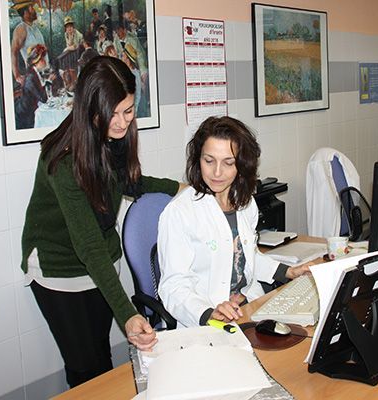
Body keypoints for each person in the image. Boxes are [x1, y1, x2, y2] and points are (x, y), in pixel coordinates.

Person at [21, 56, 182, 387]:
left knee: (102, 360)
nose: (122, 123)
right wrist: (128, 315)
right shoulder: (61, 159)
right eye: (113, 113)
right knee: (84, 367)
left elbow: (127, 182)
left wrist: (179, 188)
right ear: (90, 108)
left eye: (128, 110)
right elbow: (88, 245)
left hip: (99, 262)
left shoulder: (110, 137)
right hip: (59, 268)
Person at [157, 116, 312, 328]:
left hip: (248, 307)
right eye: (208, 161)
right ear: (197, 160)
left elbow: (246, 258)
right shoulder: (179, 213)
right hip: (207, 320)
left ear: (242, 164)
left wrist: (287, 271)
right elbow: (173, 286)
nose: (217, 172)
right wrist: (208, 313)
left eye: (228, 163)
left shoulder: (245, 202)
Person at [10, 0, 48, 86]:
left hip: (45, 73)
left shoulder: (35, 27)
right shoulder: (21, 29)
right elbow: (13, 52)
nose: (34, 10)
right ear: (25, 12)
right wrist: (17, 76)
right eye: (31, 8)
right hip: (34, 77)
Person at [14, 44, 48, 130]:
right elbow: (43, 98)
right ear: (36, 61)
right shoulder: (31, 77)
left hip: (30, 110)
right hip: (25, 115)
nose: (45, 61)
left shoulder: (34, 73)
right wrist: (48, 82)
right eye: (42, 59)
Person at [58, 16, 81, 90]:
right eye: (67, 27)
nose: (69, 29)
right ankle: (67, 81)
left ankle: (74, 80)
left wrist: (67, 48)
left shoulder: (76, 33)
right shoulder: (66, 34)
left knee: (67, 57)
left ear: (73, 27)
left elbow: (75, 46)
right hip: (70, 52)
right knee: (62, 58)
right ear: (65, 28)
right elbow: (69, 44)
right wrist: (68, 47)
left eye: (71, 26)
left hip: (78, 51)